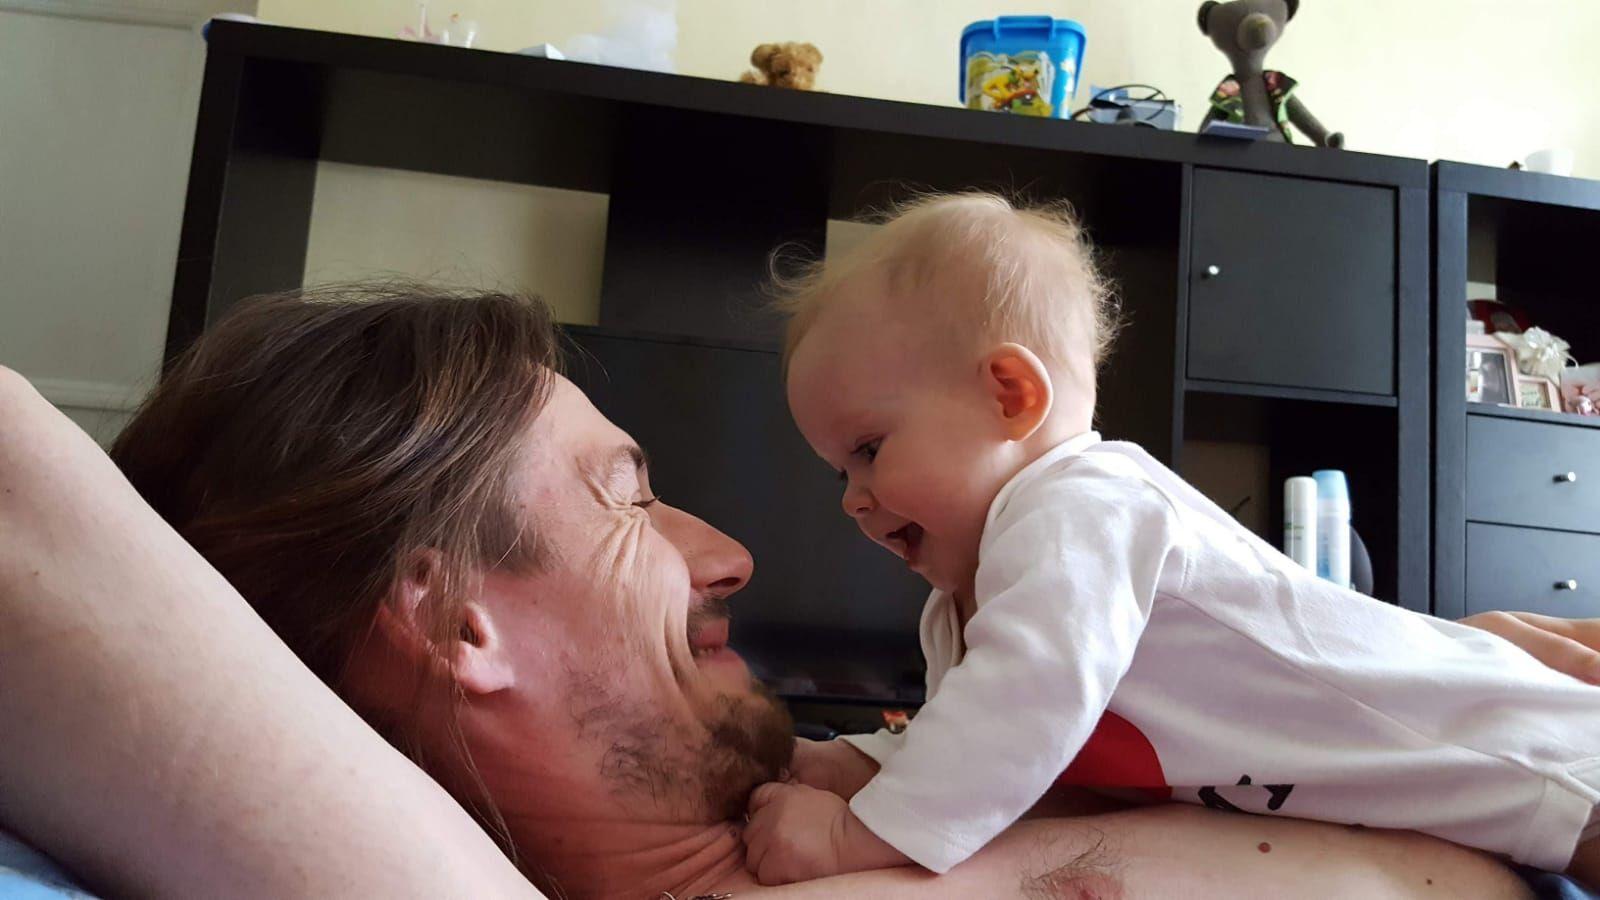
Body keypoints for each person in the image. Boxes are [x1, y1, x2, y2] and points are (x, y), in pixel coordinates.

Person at [0, 284, 1591, 899]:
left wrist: (1418, 667)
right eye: (626, 494)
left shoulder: (870, 800)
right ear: (447, 620)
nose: (735, 550)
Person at [755, 192, 1600, 886]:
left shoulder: (1078, 511)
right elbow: (991, 757)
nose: (853, 500)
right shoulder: (967, 599)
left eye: (869, 450)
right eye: (838, 472)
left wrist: (856, 837)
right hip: (1470, 796)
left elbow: (1021, 709)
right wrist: (860, 764)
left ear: (1010, 395)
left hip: (1521, 749)